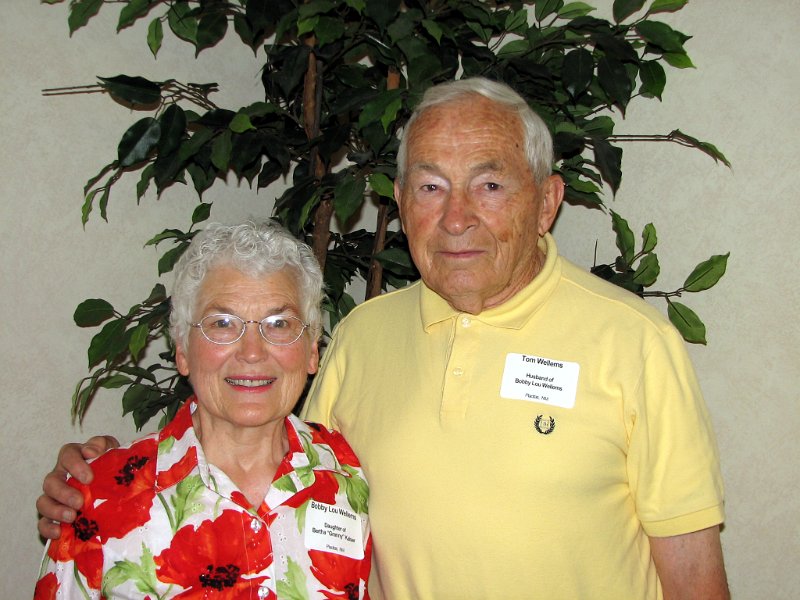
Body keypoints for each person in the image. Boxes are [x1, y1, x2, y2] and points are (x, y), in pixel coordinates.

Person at [38, 78, 728, 599]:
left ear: (546, 201)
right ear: (398, 203)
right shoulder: (363, 335)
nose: (456, 218)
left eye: (489, 184)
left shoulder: (635, 342)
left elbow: (695, 578)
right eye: (430, 187)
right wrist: (102, 480)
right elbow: (273, 461)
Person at [34, 221, 371, 599]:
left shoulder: (349, 474)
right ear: (182, 349)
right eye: (222, 323)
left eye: (279, 324)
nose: (252, 352)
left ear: (312, 350)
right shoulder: (98, 500)